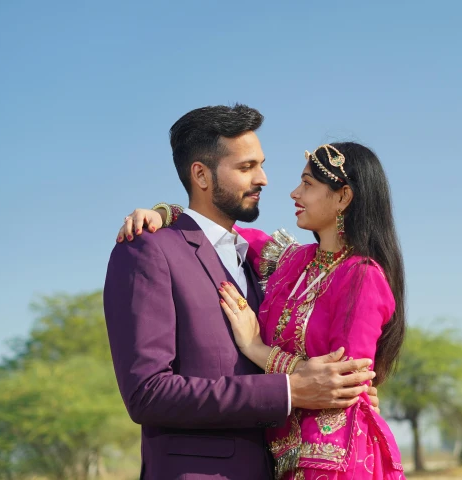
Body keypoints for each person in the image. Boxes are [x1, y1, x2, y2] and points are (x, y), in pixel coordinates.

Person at [104, 104, 378, 480]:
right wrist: (287, 391)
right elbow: (147, 393)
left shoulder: (268, 265)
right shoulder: (148, 250)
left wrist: (347, 395)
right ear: (200, 174)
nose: (264, 178)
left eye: (261, 164)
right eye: (246, 167)